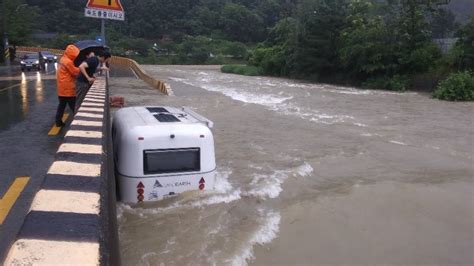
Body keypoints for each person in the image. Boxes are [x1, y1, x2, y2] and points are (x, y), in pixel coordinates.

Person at [55, 44, 80, 127]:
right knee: (74, 106)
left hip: (61, 88)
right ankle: (79, 121)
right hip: (68, 88)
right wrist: (81, 67)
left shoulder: (63, 59)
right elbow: (74, 72)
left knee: (61, 106)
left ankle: (58, 122)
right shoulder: (68, 62)